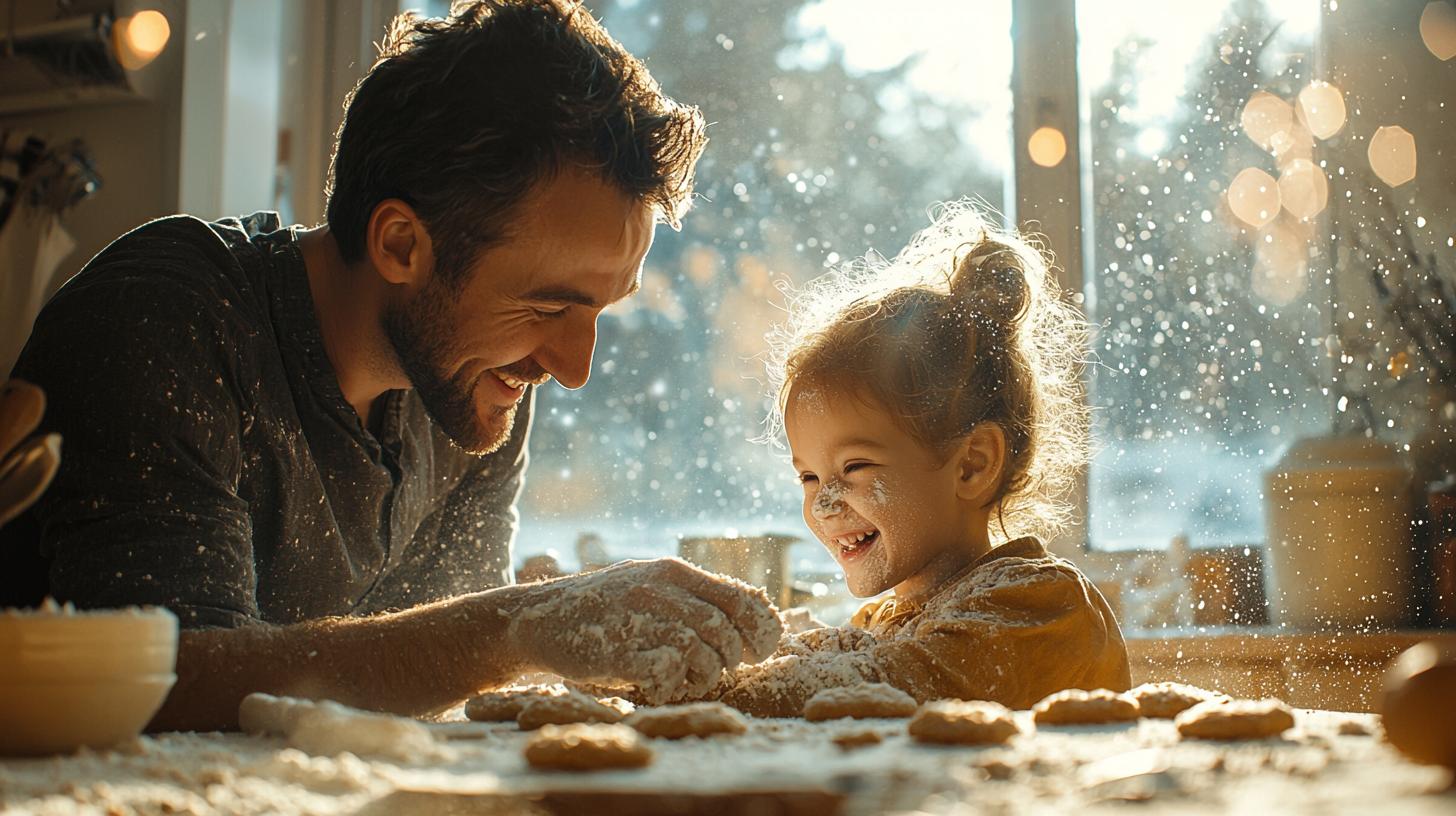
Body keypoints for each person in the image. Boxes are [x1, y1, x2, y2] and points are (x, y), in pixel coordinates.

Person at [0, 0, 780, 731]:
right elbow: (162, 683)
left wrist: (540, 619)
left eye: (602, 311)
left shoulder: (477, 380)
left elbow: (428, 655)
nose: (573, 366)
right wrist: (516, 625)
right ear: (401, 244)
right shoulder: (166, 320)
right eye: (550, 308)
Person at [712, 201, 1131, 716]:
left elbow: (883, 687)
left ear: (971, 465)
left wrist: (710, 686)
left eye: (855, 467)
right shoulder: (881, 623)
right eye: (809, 476)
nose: (823, 505)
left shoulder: (1043, 605)